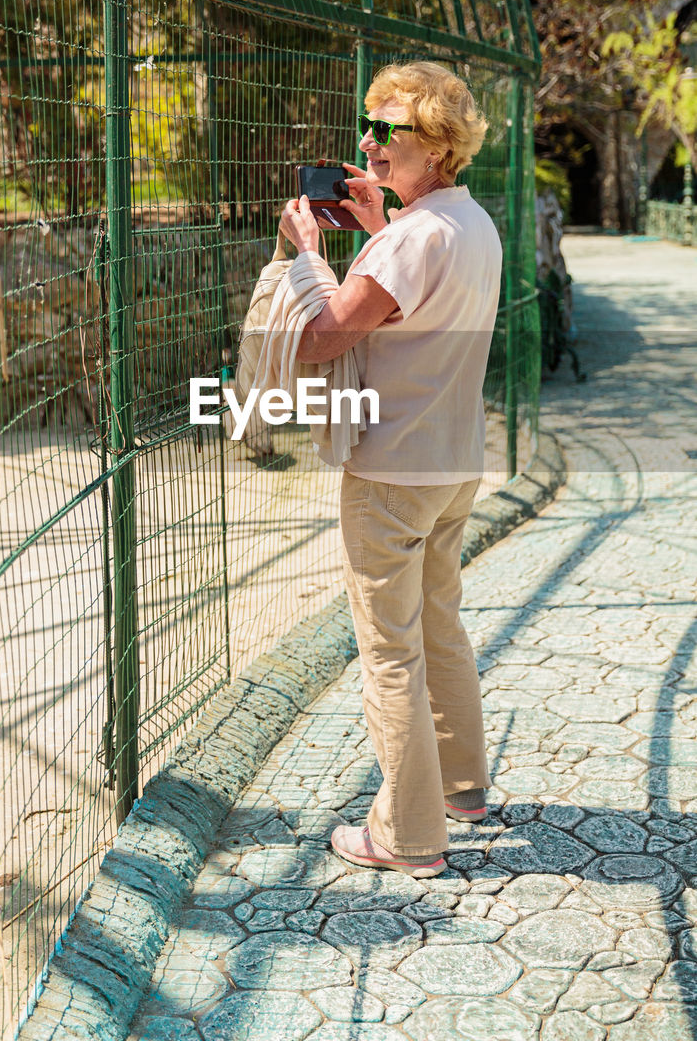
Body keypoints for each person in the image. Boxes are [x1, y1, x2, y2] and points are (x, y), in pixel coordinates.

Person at [278, 60, 502, 878]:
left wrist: (307, 254)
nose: (368, 142)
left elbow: (319, 337)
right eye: (367, 126)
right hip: (453, 462)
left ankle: (405, 838)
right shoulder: (468, 222)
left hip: (392, 471)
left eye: (389, 130)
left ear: (436, 145)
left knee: (389, 652)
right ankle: (463, 788)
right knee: (438, 622)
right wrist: (379, 227)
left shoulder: (412, 237)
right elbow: (418, 298)